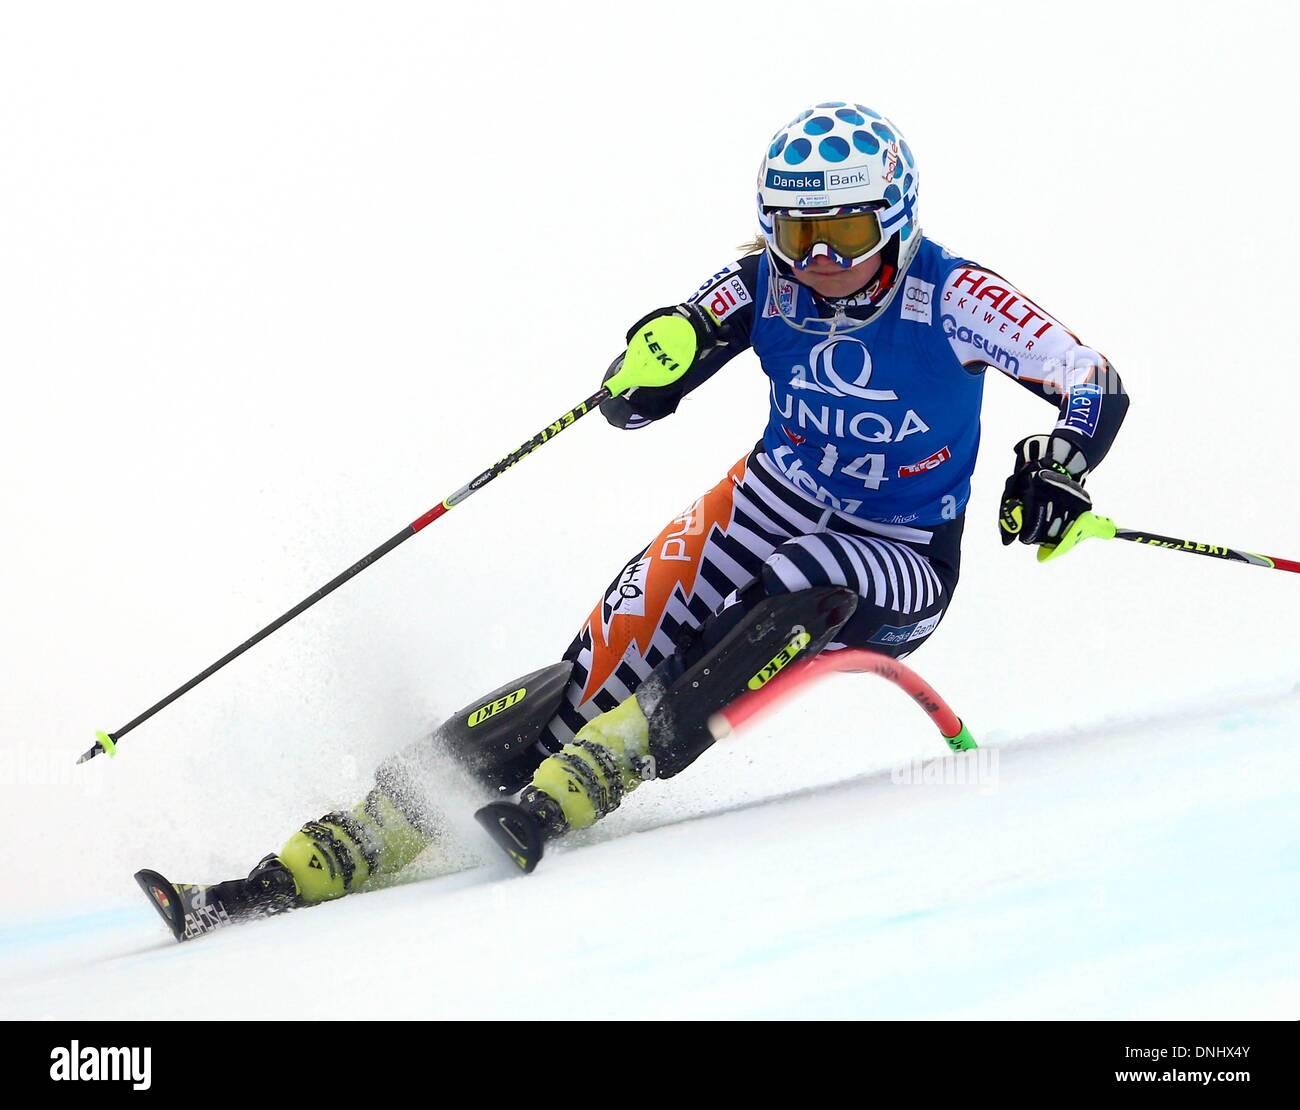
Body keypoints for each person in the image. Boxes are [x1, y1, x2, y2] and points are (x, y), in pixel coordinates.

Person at [156, 102, 1129, 929]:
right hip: (768, 500)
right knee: (602, 659)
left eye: (842, 233)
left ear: (896, 219)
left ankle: (593, 776)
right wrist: (647, 368)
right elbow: (667, 352)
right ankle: (344, 839)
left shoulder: (956, 296)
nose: (819, 260)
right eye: (796, 236)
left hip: (899, 551)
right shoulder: (762, 286)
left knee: (801, 583)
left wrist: (1057, 464)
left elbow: (1091, 381)